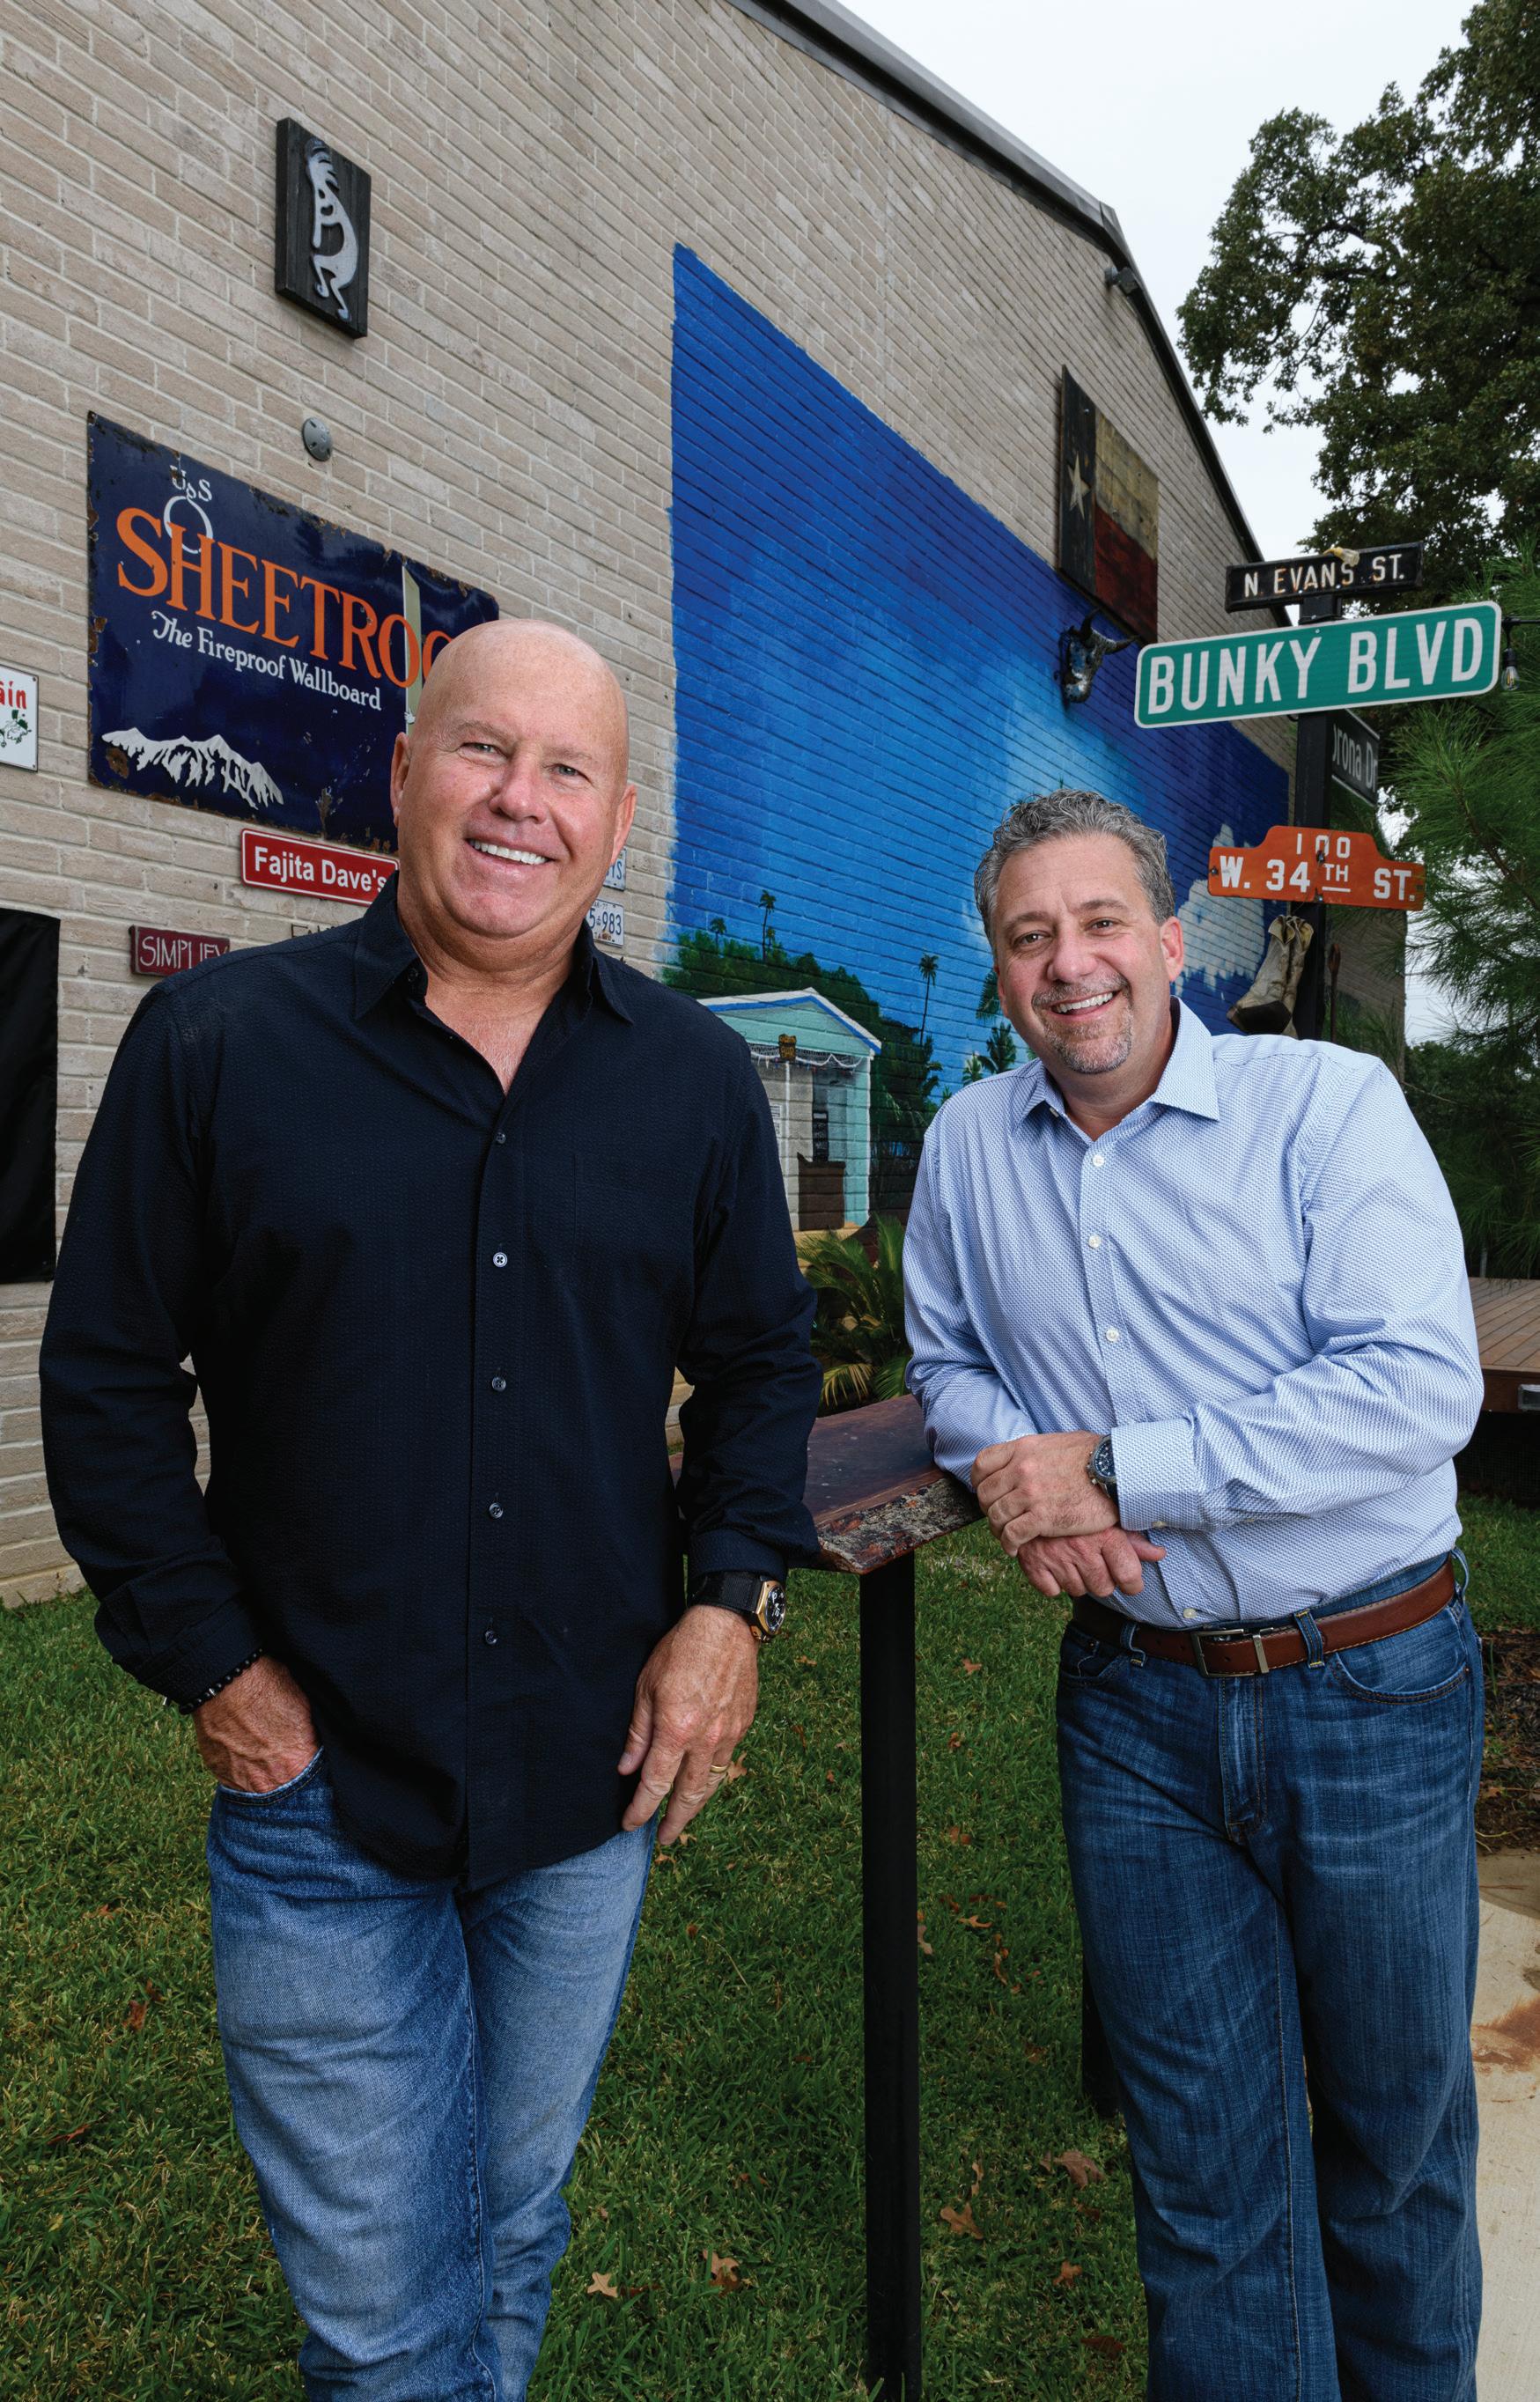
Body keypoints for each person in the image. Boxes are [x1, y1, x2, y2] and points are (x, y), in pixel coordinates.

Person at [41, 618, 822, 2402]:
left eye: (565, 770)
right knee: (386, 2321)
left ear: (616, 819)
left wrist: (726, 1604)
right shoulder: (217, 1043)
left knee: (512, 2223)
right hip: (318, 1785)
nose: (517, 800)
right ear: (402, 774)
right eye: (482, 750)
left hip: (584, 1778)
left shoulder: (695, 1081)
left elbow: (760, 1365)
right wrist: (213, 1664)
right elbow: (104, 1377)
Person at [903, 788, 1485, 2402]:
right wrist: (1018, 1474)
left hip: (1369, 1687)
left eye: (1100, 923)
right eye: (1028, 935)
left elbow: (1412, 1386)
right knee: (1202, 2174)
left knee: (1390, 2150)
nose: (1068, 963)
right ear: (998, 966)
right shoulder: (967, 1147)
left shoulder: (1327, 1107)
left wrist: (1118, 1470)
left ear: (1171, 942)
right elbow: (946, 1364)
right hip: (1134, 1708)